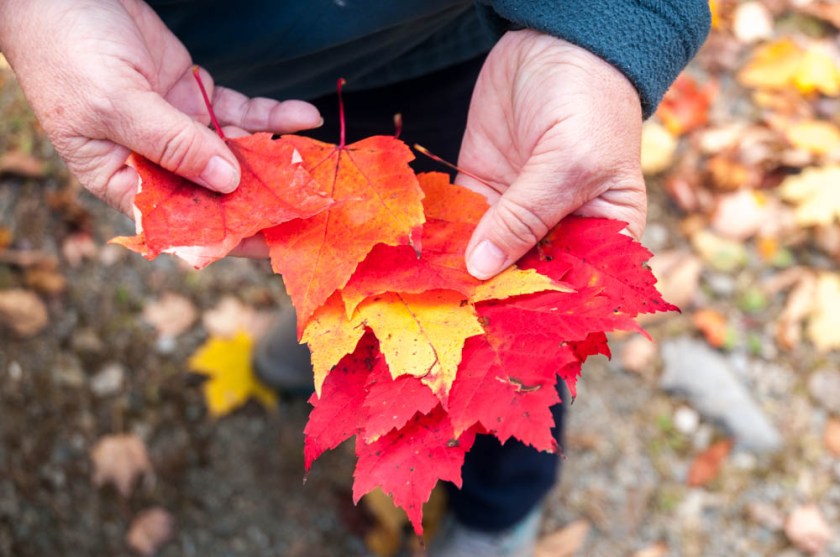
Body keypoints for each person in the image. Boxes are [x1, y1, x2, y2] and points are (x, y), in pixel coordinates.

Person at [0, 1, 710, 555]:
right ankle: (331, 326)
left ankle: (499, 510)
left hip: (466, 46)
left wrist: (604, 23)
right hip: (218, 66)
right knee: (327, 238)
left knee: (507, 284)